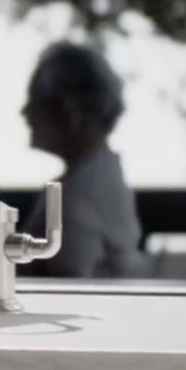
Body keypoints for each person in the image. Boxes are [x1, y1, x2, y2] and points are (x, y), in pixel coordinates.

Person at [17, 41, 144, 278]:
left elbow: (66, 283)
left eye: (36, 100)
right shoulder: (104, 182)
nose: (24, 112)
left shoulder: (74, 200)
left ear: (70, 109)